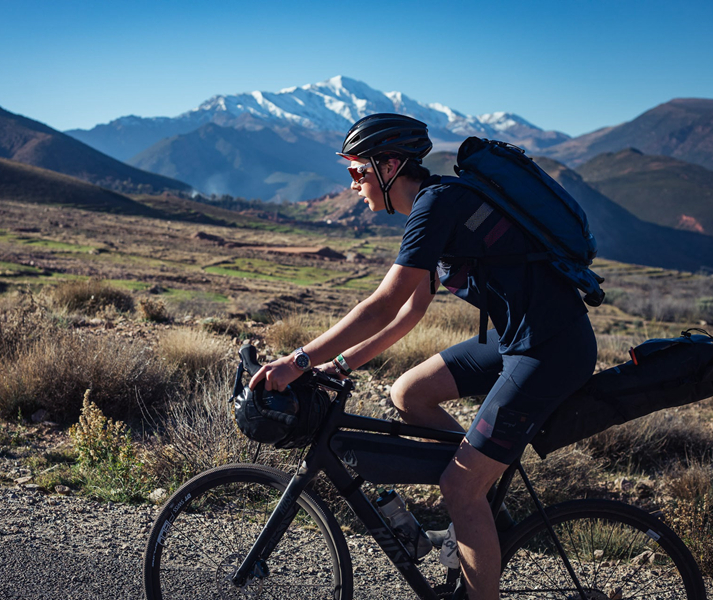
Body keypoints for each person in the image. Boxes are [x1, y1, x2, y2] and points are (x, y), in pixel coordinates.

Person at [248, 113, 597, 600]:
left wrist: (297, 361)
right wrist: (341, 365)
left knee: (459, 487)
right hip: (521, 339)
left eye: (358, 171)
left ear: (390, 165)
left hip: (550, 350)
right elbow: (410, 313)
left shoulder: (438, 204)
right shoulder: (433, 207)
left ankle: (471, 497)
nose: (353, 184)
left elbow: (382, 304)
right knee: (408, 392)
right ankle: (483, 502)